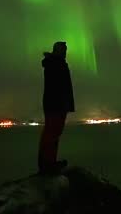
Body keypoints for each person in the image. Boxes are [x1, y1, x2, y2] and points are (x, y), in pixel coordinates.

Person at [37, 41, 75, 175]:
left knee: (53, 133)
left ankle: (49, 162)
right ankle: (47, 164)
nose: (65, 52)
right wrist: (64, 103)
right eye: (64, 49)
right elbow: (59, 86)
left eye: (66, 50)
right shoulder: (55, 64)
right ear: (58, 50)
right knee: (52, 133)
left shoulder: (55, 63)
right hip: (56, 104)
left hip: (56, 103)